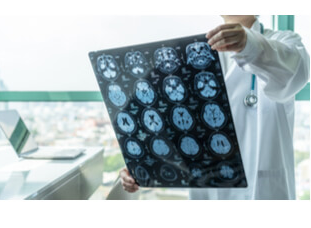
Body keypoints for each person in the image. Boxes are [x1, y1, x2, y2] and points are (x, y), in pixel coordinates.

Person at [119, 15, 310, 200]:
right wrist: (143, 164)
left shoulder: (283, 42)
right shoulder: (190, 56)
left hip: (261, 194)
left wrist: (248, 44)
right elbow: (175, 128)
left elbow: (297, 71)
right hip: (207, 192)